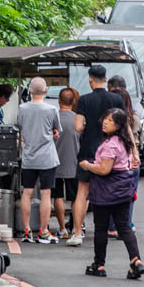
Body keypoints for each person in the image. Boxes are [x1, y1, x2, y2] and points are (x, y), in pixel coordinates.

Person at [79, 108, 144, 280]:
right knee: (124, 227)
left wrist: (87, 165)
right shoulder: (125, 142)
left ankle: (99, 264)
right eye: (105, 119)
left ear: (118, 125)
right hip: (123, 189)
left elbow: (104, 169)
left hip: (106, 190)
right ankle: (135, 260)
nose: (105, 122)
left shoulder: (110, 145)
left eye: (110, 120)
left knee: (101, 227)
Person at [68, 65, 124, 247]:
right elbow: (126, 125)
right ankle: (115, 227)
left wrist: (87, 126)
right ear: (105, 79)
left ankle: (77, 233)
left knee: (82, 192)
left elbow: (77, 127)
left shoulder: (84, 100)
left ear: (90, 79)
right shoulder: (116, 99)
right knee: (111, 190)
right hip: (111, 151)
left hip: (88, 150)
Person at [17, 77, 61, 244]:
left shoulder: (22, 108)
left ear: (30, 91)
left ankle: (27, 231)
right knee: (45, 194)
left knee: (26, 193)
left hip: (28, 156)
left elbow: (20, 128)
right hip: (47, 157)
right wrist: (54, 134)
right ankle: (43, 231)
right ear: (45, 90)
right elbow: (57, 130)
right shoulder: (51, 109)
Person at [107, 75, 141, 236]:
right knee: (129, 195)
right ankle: (125, 224)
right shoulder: (133, 119)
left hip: (113, 162)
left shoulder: (109, 122)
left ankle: (112, 225)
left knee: (111, 194)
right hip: (131, 163)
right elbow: (137, 139)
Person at [53, 87, 82, 239]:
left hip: (55, 163)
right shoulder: (79, 119)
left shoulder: (53, 118)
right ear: (74, 101)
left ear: (59, 100)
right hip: (74, 163)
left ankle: (62, 228)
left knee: (57, 195)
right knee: (76, 198)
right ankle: (77, 228)